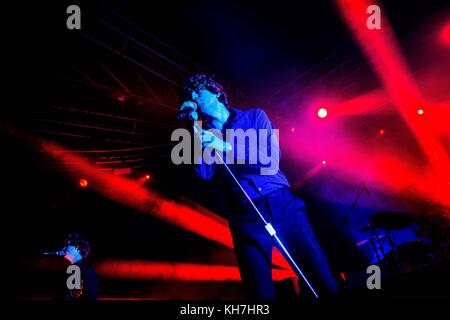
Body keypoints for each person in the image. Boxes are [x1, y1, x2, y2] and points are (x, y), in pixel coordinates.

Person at [178, 74, 339, 299]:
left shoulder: (254, 117)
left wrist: (224, 145)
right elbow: (203, 173)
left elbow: (269, 160)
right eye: (190, 95)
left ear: (216, 91)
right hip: (245, 218)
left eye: (198, 91)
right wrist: (191, 126)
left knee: (322, 282)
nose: (194, 97)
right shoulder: (205, 134)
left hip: (282, 206)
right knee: (259, 296)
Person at [59, 232, 99, 300]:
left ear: (77, 248)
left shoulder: (88, 273)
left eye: (68, 244)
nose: (64, 247)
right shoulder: (67, 272)